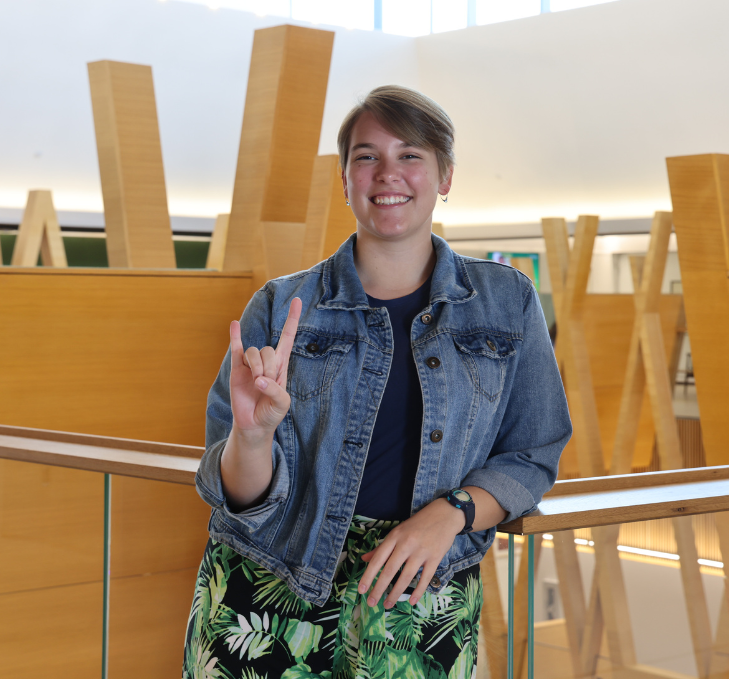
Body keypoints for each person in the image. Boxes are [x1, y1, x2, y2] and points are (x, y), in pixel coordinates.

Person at [184, 85, 571, 678]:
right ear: (345, 180)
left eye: (411, 154)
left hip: (420, 594)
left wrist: (454, 513)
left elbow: (534, 451)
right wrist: (253, 436)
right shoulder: (281, 304)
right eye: (366, 156)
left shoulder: (505, 301)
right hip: (266, 589)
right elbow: (239, 495)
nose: (387, 173)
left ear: (444, 176)